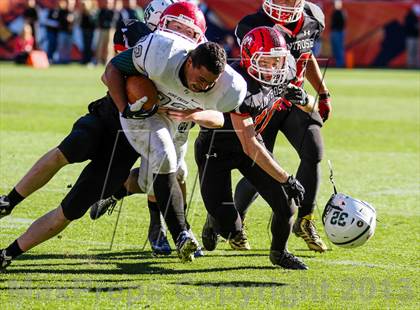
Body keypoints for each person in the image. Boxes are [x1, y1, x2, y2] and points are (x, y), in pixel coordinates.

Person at [91, 1, 210, 257]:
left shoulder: (200, 49)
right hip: (149, 116)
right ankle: (163, 231)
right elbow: (118, 73)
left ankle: (115, 191)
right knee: (164, 172)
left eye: (187, 30)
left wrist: (193, 111)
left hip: (180, 119)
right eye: (174, 26)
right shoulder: (146, 41)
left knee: (174, 174)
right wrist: (143, 103)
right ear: (159, 22)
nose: (180, 34)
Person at [197, 26, 308, 269]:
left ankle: (279, 253)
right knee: (229, 226)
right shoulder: (238, 87)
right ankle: (215, 220)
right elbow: (250, 145)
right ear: (249, 58)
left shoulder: (285, 69)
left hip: (249, 144)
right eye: (265, 62)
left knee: (286, 205)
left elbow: (284, 92)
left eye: (276, 61)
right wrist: (287, 178)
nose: (273, 68)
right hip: (217, 149)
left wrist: (298, 95)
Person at [233, 0, 330, 253]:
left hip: (294, 98)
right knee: (261, 169)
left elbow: (306, 56)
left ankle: (305, 220)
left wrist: (323, 92)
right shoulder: (251, 25)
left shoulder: (313, 16)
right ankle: (233, 221)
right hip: (264, 100)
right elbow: (249, 68)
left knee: (314, 150)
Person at [330, 0, 346, 67]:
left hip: (338, 32)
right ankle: (337, 63)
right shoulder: (334, 12)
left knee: (339, 49)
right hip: (334, 32)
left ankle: (340, 64)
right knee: (335, 49)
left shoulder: (341, 13)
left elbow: (342, 23)